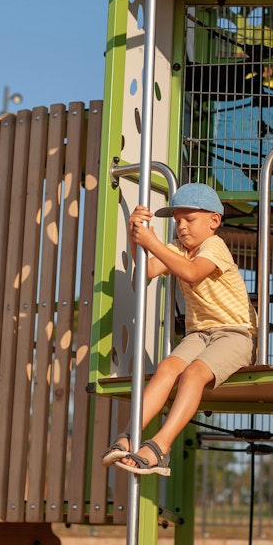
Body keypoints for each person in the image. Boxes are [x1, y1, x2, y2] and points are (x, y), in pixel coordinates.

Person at [102, 183, 257, 476]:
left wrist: (152, 242)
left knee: (193, 373)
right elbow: (146, 270)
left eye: (189, 219)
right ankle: (129, 435)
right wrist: (134, 235)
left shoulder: (214, 246)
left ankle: (160, 447)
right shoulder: (177, 248)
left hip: (235, 333)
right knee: (167, 368)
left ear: (214, 220)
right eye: (177, 221)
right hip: (199, 334)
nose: (182, 227)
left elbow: (191, 271)